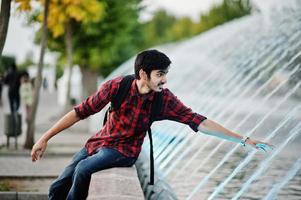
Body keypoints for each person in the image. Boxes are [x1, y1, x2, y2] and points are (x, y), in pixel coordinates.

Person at [31, 49, 273, 200]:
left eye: (165, 73)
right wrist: (45, 138)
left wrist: (243, 139)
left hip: (123, 151)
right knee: (58, 186)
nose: (165, 79)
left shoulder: (164, 99)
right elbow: (80, 111)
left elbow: (198, 120)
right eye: (160, 73)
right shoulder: (117, 86)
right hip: (98, 142)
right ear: (143, 74)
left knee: (84, 170)